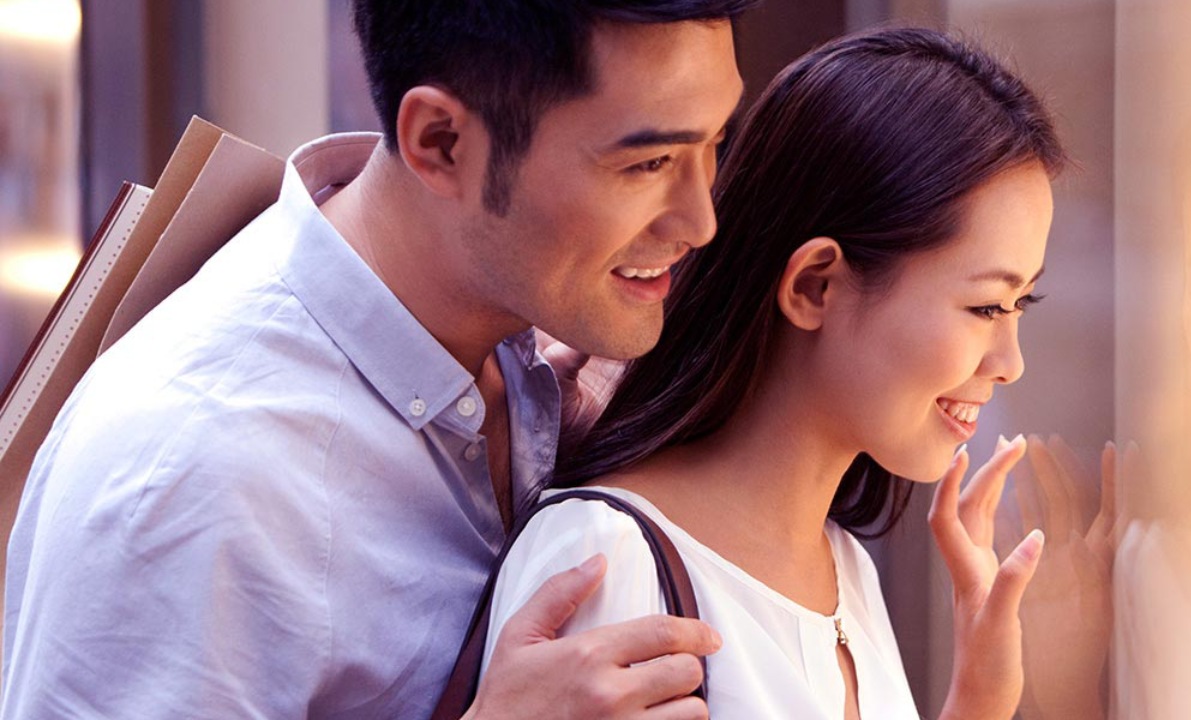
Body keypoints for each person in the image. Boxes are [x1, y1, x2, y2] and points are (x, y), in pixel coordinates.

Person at [2, 2, 752, 717]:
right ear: (441, 142)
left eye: (713, 142)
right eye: (648, 163)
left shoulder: (533, 344)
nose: (702, 219)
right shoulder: (198, 467)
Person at [480, 28, 1066, 719]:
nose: (1010, 363)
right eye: (986, 306)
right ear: (816, 286)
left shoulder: (845, 571)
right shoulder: (605, 561)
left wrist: (980, 699)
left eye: (1021, 304)